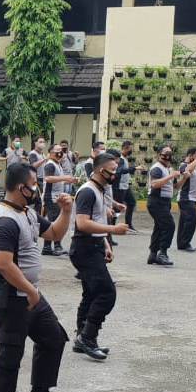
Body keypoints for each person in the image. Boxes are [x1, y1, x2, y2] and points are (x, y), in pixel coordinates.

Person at [0, 162, 73, 392]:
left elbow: (55, 233)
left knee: (53, 338)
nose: (37, 189)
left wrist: (66, 211)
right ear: (20, 187)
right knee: (11, 351)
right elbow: (3, 264)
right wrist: (29, 290)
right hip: (10, 295)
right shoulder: (5, 220)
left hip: (28, 292)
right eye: (34, 185)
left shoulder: (28, 212)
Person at [70, 153, 129, 361]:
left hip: (93, 246)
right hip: (84, 249)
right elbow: (82, 223)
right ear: (100, 170)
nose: (114, 174)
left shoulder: (100, 190)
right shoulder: (87, 192)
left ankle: (82, 337)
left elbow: (97, 219)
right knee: (107, 293)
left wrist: (105, 243)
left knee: (91, 293)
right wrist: (114, 229)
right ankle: (88, 337)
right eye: (112, 170)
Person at [146, 146, 180, 266]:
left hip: (165, 202)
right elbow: (154, 184)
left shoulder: (168, 169)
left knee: (159, 227)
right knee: (169, 226)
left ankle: (153, 255)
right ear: (159, 154)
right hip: (157, 201)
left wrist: (184, 177)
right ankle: (162, 253)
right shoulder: (157, 168)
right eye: (165, 152)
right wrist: (171, 176)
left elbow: (176, 186)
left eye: (169, 152)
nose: (167, 155)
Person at [42, 144, 76, 256]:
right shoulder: (50, 165)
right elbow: (48, 178)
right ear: (51, 152)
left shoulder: (57, 164)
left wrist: (69, 180)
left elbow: (57, 181)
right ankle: (55, 246)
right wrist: (65, 177)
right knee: (55, 221)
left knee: (53, 221)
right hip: (51, 197)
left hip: (57, 197)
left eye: (61, 150)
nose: (60, 153)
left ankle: (48, 247)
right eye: (57, 150)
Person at [176, 147, 196, 252]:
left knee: (184, 221)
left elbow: (192, 176)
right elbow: (187, 170)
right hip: (186, 198)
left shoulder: (195, 167)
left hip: (192, 199)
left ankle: (181, 243)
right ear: (190, 155)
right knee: (191, 220)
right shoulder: (183, 165)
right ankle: (185, 243)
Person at [113, 141, 139, 233]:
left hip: (125, 186)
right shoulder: (120, 159)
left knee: (131, 203)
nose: (131, 151)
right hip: (120, 187)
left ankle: (128, 225)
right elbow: (119, 171)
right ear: (125, 148)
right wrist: (134, 168)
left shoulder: (124, 158)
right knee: (117, 208)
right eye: (130, 149)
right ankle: (112, 226)